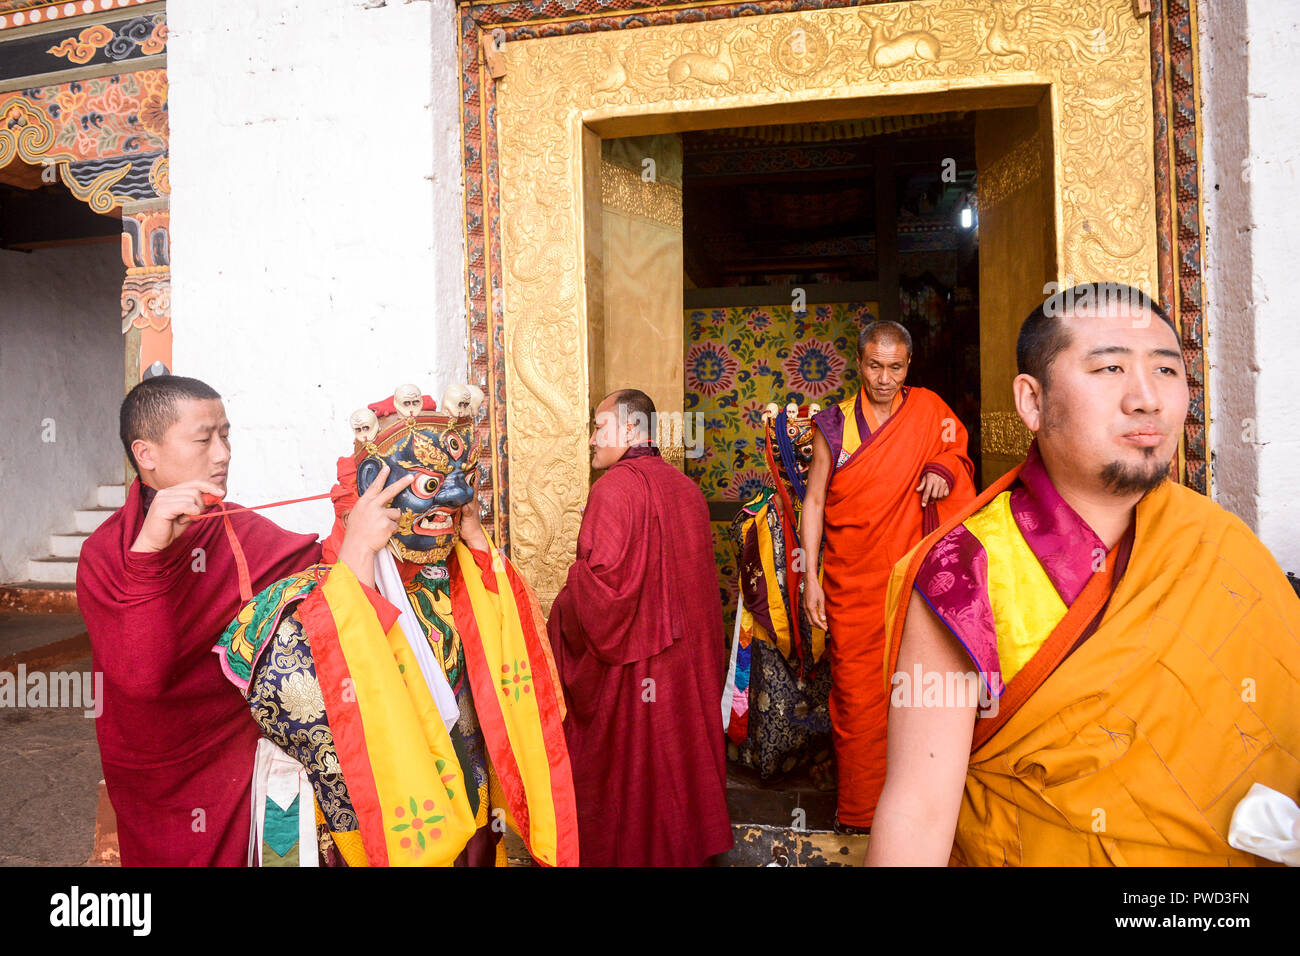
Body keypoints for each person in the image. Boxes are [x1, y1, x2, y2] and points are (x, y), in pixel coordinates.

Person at [867, 283, 1300, 866]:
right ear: (1032, 401)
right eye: (1110, 367)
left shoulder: (1219, 545)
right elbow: (917, 813)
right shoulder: (966, 573)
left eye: (1168, 372)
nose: (1146, 398)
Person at [213, 384, 577, 866]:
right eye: (429, 484)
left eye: (463, 480)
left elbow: (519, 653)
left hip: (466, 805)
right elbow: (311, 702)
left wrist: (479, 542)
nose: (456, 493)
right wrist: (359, 557)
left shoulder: (461, 584)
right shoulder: (308, 601)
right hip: (381, 821)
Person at [76, 375, 321, 866]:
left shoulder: (235, 528)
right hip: (157, 766)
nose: (222, 453)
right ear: (146, 453)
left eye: (225, 435)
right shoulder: (106, 554)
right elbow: (142, 678)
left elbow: (324, 574)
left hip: (238, 753)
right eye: (204, 438)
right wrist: (148, 553)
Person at [800, 320, 977, 832]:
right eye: (874, 366)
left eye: (895, 367)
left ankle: (915, 818)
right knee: (857, 699)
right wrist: (810, 574)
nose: (884, 378)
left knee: (917, 692)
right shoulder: (833, 425)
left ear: (908, 366)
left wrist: (943, 469)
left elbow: (956, 449)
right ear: (858, 364)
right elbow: (814, 501)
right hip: (851, 585)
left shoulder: (927, 411)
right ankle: (859, 818)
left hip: (913, 586)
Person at [548, 388, 733, 866]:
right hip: (684, 674)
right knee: (676, 782)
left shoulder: (613, 488)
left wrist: (566, 597)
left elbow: (600, 596)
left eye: (599, 425)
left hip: (636, 675)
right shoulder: (686, 490)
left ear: (630, 429)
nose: (591, 438)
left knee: (632, 793)